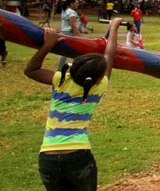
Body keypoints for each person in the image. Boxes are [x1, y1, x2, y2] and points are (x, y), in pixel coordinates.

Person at [25, 20, 120, 191]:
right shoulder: (98, 86)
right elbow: (109, 56)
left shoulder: (61, 80)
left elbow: (31, 70)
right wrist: (113, 27)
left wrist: (47, 45)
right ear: (98, 78)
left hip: (48, 158)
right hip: (78, 155)